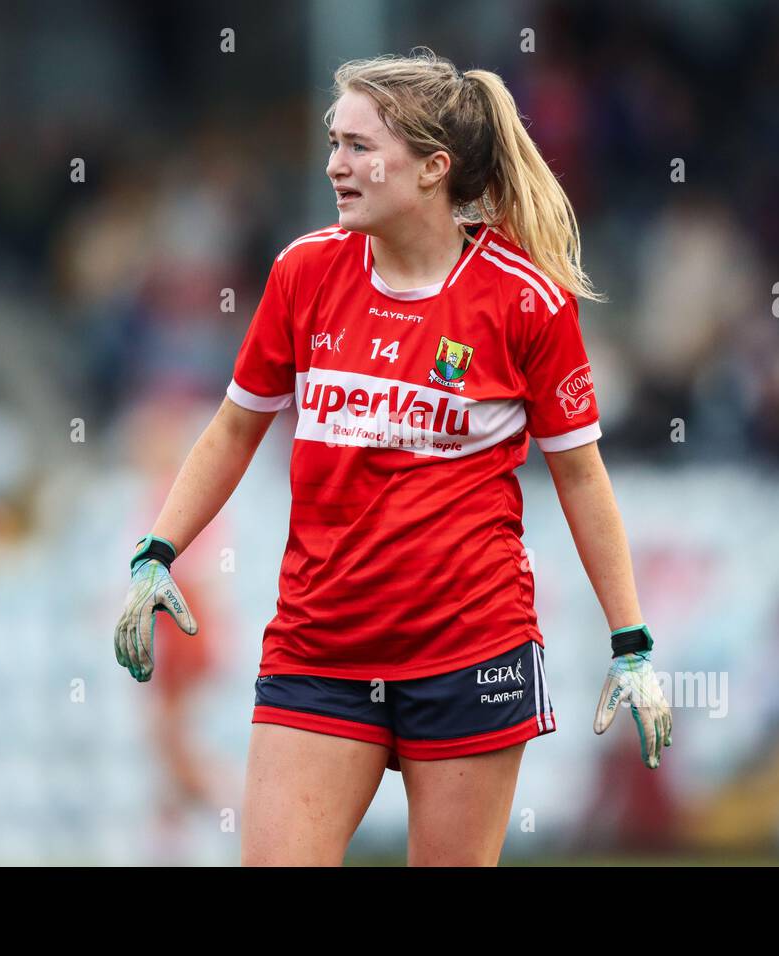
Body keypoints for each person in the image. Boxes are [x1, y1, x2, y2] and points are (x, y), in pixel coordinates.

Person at [112, 49, 671, 866]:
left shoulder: (526, 302)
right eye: (334, 142)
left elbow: (582, 477)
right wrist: (158, 551)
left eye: (360, 147)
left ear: (433, 169)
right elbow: (235, 428)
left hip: (469, 652)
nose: (335, 164)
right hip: (319, 648)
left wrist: (632, 642)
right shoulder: (303, 273)